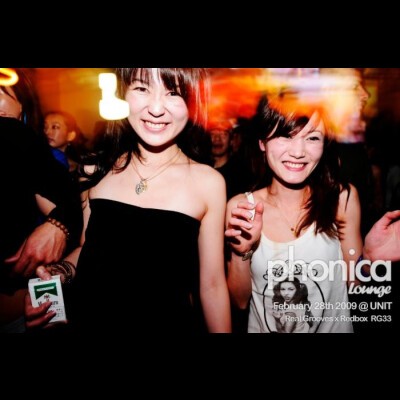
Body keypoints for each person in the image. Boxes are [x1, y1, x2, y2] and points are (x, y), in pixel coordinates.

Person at [25, 68, 231, 333]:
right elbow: (89, 248)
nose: (155, 108)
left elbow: (212, 285)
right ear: (122, 94)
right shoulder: (95, 170)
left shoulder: (208, 183)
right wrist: (61, 271)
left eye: (173, 93)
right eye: (142, 89)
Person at [225, 92, 399, 333]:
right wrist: (240, 253)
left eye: (312, 138)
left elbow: (354, 283)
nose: (298, 152)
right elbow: (239, 302)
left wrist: (369, 260)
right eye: (285, 136)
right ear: (262, 142)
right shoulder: (243, 208)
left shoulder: (341, 199)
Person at [0, 69, 83, 332]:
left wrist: (57, 226)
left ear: (21, 105)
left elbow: (69, 203)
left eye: (0, 92)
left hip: (18, 306)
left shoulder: (16, 135)